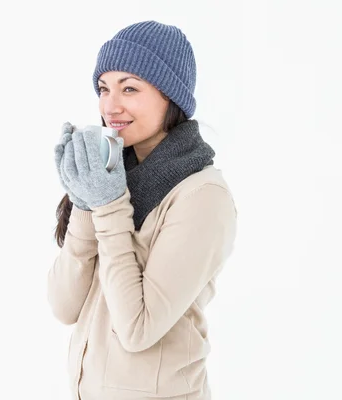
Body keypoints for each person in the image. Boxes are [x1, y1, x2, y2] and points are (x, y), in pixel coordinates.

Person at [48, 20, 237, 400]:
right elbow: (64, 306)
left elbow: (137, 329)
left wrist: (107, 203)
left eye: (130, 88)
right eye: (104, 89)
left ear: (171, 97)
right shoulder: (112, 177)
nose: (110, 106)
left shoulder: (202, 196)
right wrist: (85, 199)